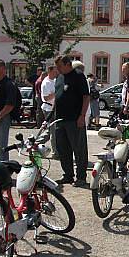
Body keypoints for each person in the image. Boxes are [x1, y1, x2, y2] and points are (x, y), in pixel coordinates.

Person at [54, 55, 90, 187]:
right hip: (60, 119)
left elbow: (86, 97)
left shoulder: (78, 76)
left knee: (79, 149)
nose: (58, 69)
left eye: (60, 66)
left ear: (68, 64)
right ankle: (68, 175)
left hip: (75, 120)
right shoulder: (59, 77)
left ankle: (81, 177)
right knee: (63, 149)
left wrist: (82, 116)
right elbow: (57, 98)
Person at [40, 65, 58, 157]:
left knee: (49, 131)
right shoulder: (46, 83)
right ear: (49, 71)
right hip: (48, 109)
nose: (56, 73)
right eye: (55, 71)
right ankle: (55, 153)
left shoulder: (54, 81)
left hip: (54, 108)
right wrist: (57, 93)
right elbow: (47, 98)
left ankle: (35, 143)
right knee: (53, 131)